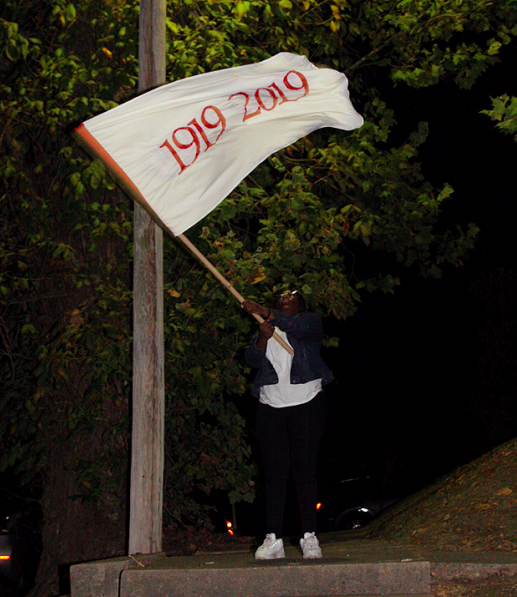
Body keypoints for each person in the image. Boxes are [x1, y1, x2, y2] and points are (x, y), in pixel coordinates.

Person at [241, 290, 334, 560]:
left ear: (301, 305)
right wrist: (261, 338)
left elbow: (297, 326)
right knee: (274, 473)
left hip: (307, 403)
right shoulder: (266, 328)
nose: (285, 297)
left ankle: (309, 537)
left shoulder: (308, 323)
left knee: (304, 471)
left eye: (291, 296)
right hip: (270, 407)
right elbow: (251, 360)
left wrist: (264, 309)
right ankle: (273, 539)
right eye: (281, 296)